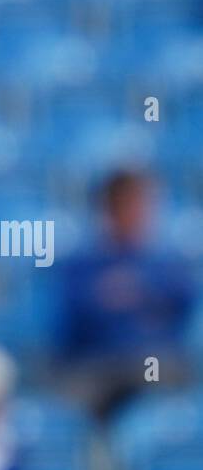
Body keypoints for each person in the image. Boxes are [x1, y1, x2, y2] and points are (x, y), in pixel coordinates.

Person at [56, 169, 195, 422]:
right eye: (127, 205)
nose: (137, 214)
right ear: (108, 210)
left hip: (150, 361)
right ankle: (97, 456)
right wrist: (104, 296)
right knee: (70, 400)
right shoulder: (83, 263)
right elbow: (71, 316)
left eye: (141, 205)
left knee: (160, 377)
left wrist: (139, 289)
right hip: (97, 364)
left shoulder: (164, 263)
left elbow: (184, 298)